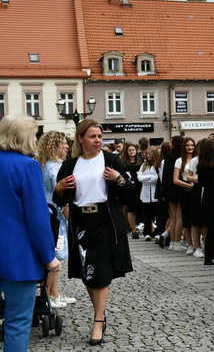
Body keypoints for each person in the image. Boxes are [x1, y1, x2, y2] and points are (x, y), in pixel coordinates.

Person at [54, 119, 133, 346]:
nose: (98, 140)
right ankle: (100, 313)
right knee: (88, 274)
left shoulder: (110, 159)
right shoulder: (70, 164)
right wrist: (59, 189)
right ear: (80, 138)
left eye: (99, 136)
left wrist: (118, 179)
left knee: (101, 271)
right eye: (93, 136)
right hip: (80, 221)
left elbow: (129, 191)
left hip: (105, 220)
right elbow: (59, 198)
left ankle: (98, 320)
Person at [0, 115, 60, 352]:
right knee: (17, 323)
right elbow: (37, 217)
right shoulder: (27, 166)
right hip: (18, 258)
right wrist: (49, 256)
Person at [38, 131, 77, 308]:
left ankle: (55, 293)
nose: (67, 146)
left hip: (51, 215)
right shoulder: (55, 168)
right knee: (56, 257)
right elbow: (62, 198)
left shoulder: (47, 166)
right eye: (63, 143)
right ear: (55, 146)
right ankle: (51, 296)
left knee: (56, 256)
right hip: (56, 218)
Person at [196, 139, 214, 266]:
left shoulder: (201, 164)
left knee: (209, 228)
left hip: (206, 196)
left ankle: (208, 256)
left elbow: (200, 183)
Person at [174, 137, 196, 254]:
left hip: (196, 190)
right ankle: (190, 244)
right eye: (187, 145)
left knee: (195, 219)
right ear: (184, 147)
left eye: (192, 145)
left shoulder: (197, 159)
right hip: (185, 191)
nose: (190, 147)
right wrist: (188, 186)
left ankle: (196, 244)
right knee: (186, 219)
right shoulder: (179, 161)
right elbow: (175, 180)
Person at [163, 136, 184, 251]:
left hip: (169, 189)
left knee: (173, 216)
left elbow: (165, 176)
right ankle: (176, 241)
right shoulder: (180, 157)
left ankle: (172, 241)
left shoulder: (168, 156)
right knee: (179, 217)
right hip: (179, 188)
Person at [138, 146, 161, 241]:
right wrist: (150, 177)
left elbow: (157, 179)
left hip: (156, 194)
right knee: (147, 215)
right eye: (147, 153)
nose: (147, 155)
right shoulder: (143, 165)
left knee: (157, 214)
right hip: (146, 194)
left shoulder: (158, 165)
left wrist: (146, 178)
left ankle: (158, 232)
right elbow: (140, 178)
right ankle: (147, 233)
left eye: (150, 153)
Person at [121, 143, 143, 239]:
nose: (131, 151)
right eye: (129, 150)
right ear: (127, 152)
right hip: (129, 188)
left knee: (143, 208)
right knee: (131, 209)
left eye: (133, 150)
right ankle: (133, 230)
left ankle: (147, 229)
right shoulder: (123, 162)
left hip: (140, 187)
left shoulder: (141, 161)